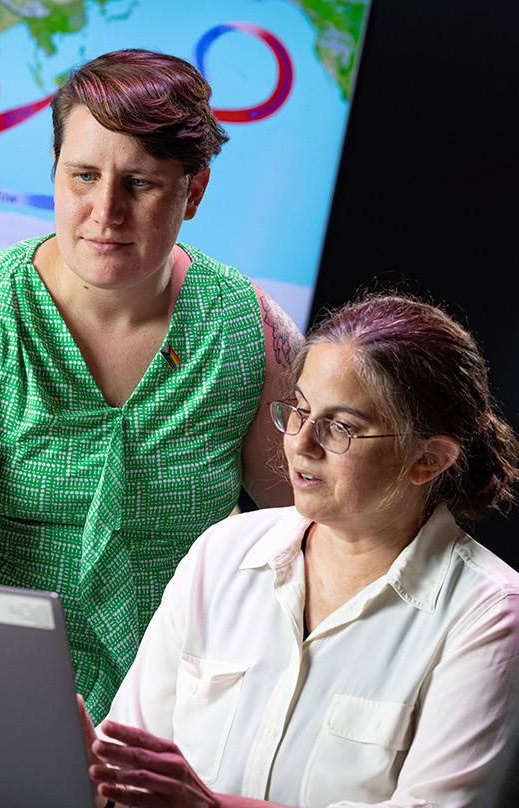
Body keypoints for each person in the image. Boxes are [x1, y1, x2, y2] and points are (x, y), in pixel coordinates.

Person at [0, 49, 300, 720]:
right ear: (54, 170)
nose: (104, 212)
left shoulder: (251, 330)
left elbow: (313, 529)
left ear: (193, 192)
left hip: (172, 709)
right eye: (83, 176)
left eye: (139, 184)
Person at [86, 293, 519, 807]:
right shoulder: (222, 554)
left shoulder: (489, 614)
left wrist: (211, 806)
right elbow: (125, 771)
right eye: (299, 411)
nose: (300, 443)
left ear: (427, 459)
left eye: (340, 427)